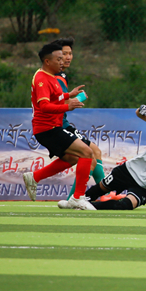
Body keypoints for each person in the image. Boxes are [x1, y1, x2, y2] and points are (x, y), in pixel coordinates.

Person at [23, 42, 96, 210]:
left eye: (63, 58)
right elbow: (44, 106)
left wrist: (68, 95)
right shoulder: (42, 79)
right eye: (59, 59)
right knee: (87, 152)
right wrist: (67, 107)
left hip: (52, 127)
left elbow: (55, 97)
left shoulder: (52, 76)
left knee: (73, 158)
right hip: (47, 129)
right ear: (47, 61)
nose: (62, 62)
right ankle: (77, 198)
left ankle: (35, 177)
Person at [49, 37, 106, 206]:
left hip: (59, 124)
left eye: (70, 53)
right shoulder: (57, 77)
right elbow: (58, 102)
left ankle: (74, 199)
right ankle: (81, 198)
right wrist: (79, 98)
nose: (68, 57)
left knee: (92, 153)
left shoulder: (56, 75)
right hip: (58, 126)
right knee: (91, 154)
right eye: (64, 54)